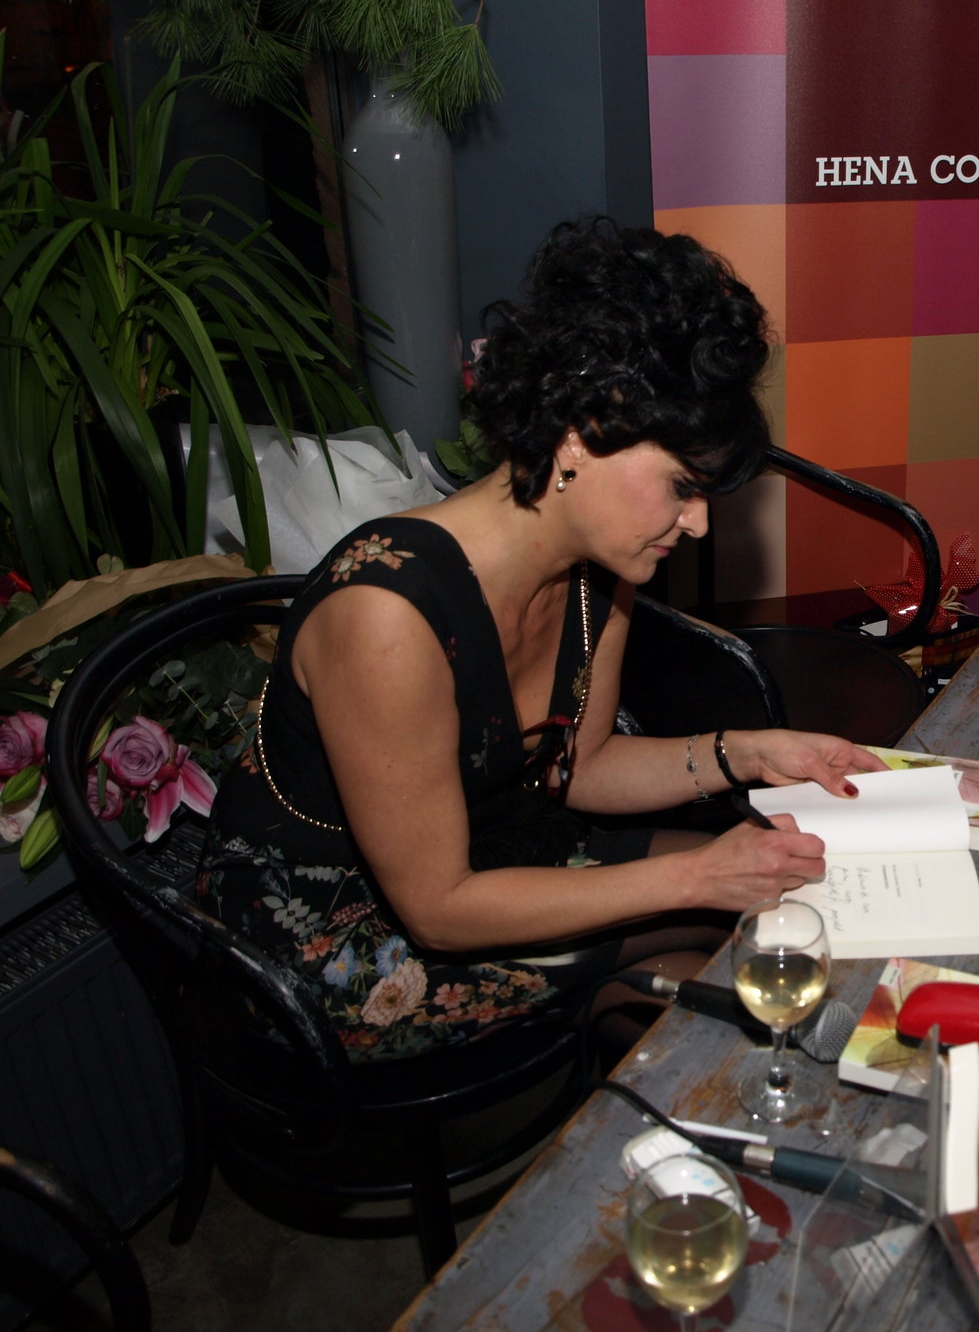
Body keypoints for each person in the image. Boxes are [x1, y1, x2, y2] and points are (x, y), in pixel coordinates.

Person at [198, 218, 883, 1062]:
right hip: (333, 932)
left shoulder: (601, 568)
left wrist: (749, 751)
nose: (699, 524)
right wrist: (697, 877)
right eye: (682, 486)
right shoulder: (387, 617)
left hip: (495, 844)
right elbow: (437, 909)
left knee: (787, 904)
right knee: (719, 954)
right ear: (581, 428)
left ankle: (655, 1093)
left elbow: (580, 769)